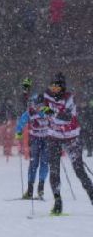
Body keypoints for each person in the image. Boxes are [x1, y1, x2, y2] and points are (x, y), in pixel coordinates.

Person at [40, 72, 93, 215]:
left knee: (79, 170)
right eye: (52, 86)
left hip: (71, 137)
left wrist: (52, 112)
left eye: (57, 87)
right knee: (54, 170)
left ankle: (92, 195)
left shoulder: (69, 99)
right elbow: (32, 104)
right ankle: (57, 202)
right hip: (54, 136)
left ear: (62, 88)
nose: (54, 90)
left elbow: (67, 118)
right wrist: (28, 94)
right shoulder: (46, 95)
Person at [14, 78, 49, 200]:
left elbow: (56, 120)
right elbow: (22, 121)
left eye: (41, 105)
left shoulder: (47, 111)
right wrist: (18, 132)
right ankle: (30, 190)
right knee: (34, 164)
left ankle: (41, 188)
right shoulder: (30, 111)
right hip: (35, 140)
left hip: (47, 140)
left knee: (44, 163)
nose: (39, 108)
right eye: (36, 105)